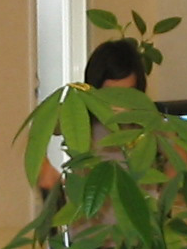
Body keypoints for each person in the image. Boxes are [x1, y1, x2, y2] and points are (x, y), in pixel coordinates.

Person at [36, 39, 149, 192]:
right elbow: (38, 129)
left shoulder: (149, 122)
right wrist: (46, 169)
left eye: (127, 93)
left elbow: (177, 157)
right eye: (110, 94)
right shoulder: (80, 117)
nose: (118, 102)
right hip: (89, 212)